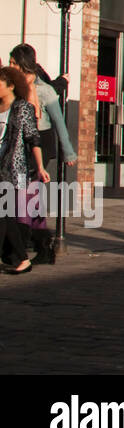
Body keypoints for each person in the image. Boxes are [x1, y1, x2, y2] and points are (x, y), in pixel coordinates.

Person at [10, 45, 74, 263]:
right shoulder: (13, 87)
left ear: (24, 64)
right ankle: (43, 247)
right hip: (20, 145)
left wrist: (69, 152)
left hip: (41, 143)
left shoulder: (44, 90)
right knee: (32, 197)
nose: (11, 67)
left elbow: (59, 122)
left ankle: (19, 246)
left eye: (14, 63)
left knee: (24, 194)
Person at [0, 67, 47, 274]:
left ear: (11, 85)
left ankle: (21, 257)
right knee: (4, 215)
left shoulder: (22, 108)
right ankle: (21, 258)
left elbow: (33, 139)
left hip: (12, 168)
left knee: (4, 213)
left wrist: (40, 167)